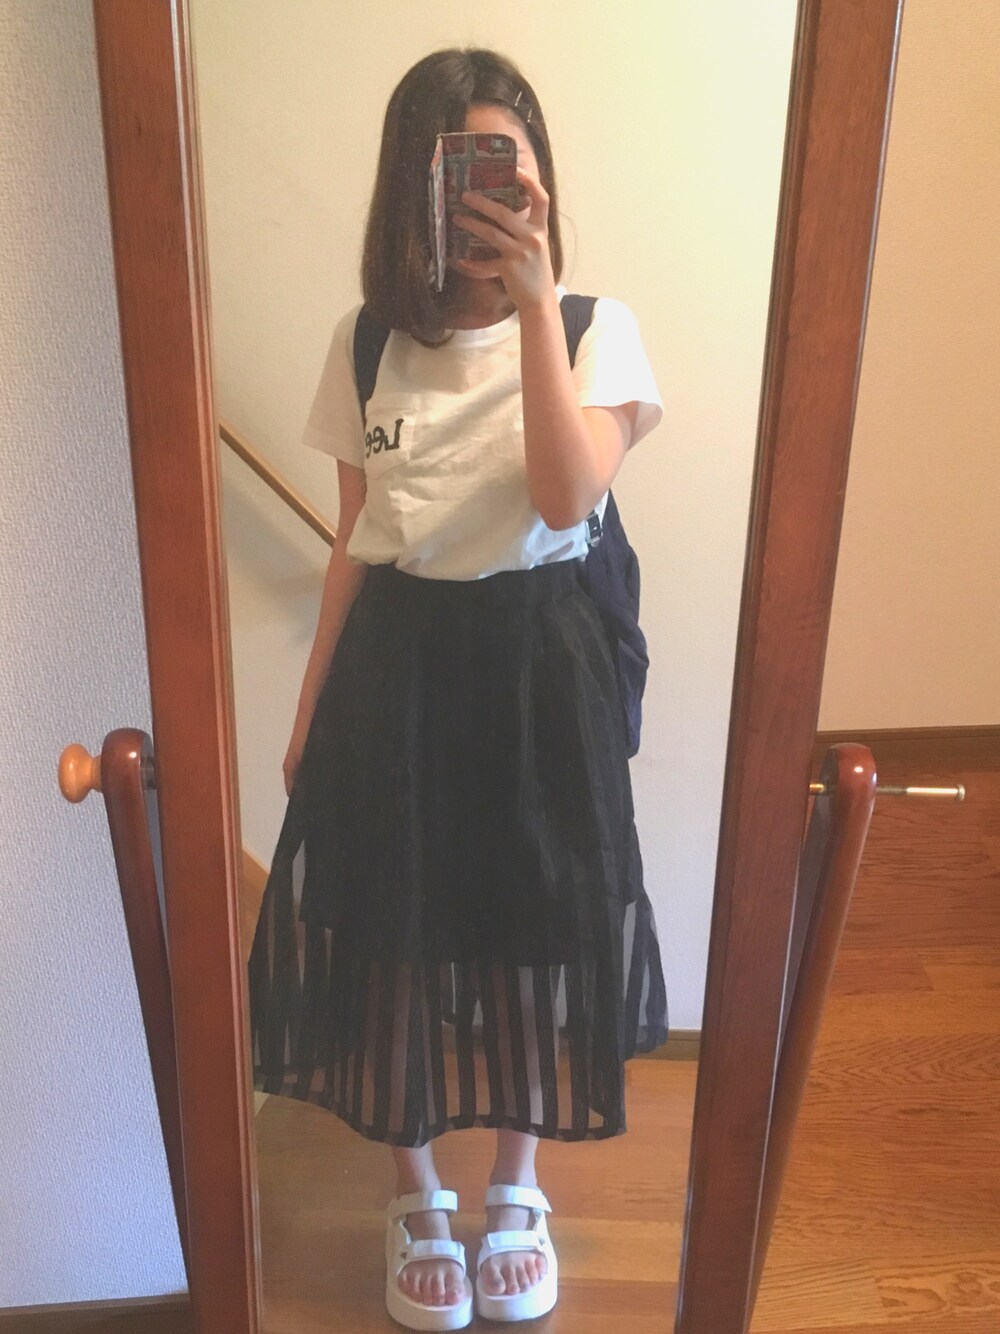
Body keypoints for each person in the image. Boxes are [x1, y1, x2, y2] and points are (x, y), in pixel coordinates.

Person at [247, 46, 669, 1330]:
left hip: (539, 674)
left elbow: (562, 492)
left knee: (533, 930)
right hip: (398, 672)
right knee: (392, 932)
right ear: (411, 194)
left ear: (543, 185)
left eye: (511, 177)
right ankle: (415, 1191)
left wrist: (534, 308)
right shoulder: (366, 342)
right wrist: (308, 712)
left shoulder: (595, 330)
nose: (491, 206)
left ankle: (515, 1186)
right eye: (461, 180)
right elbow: (355, 542)